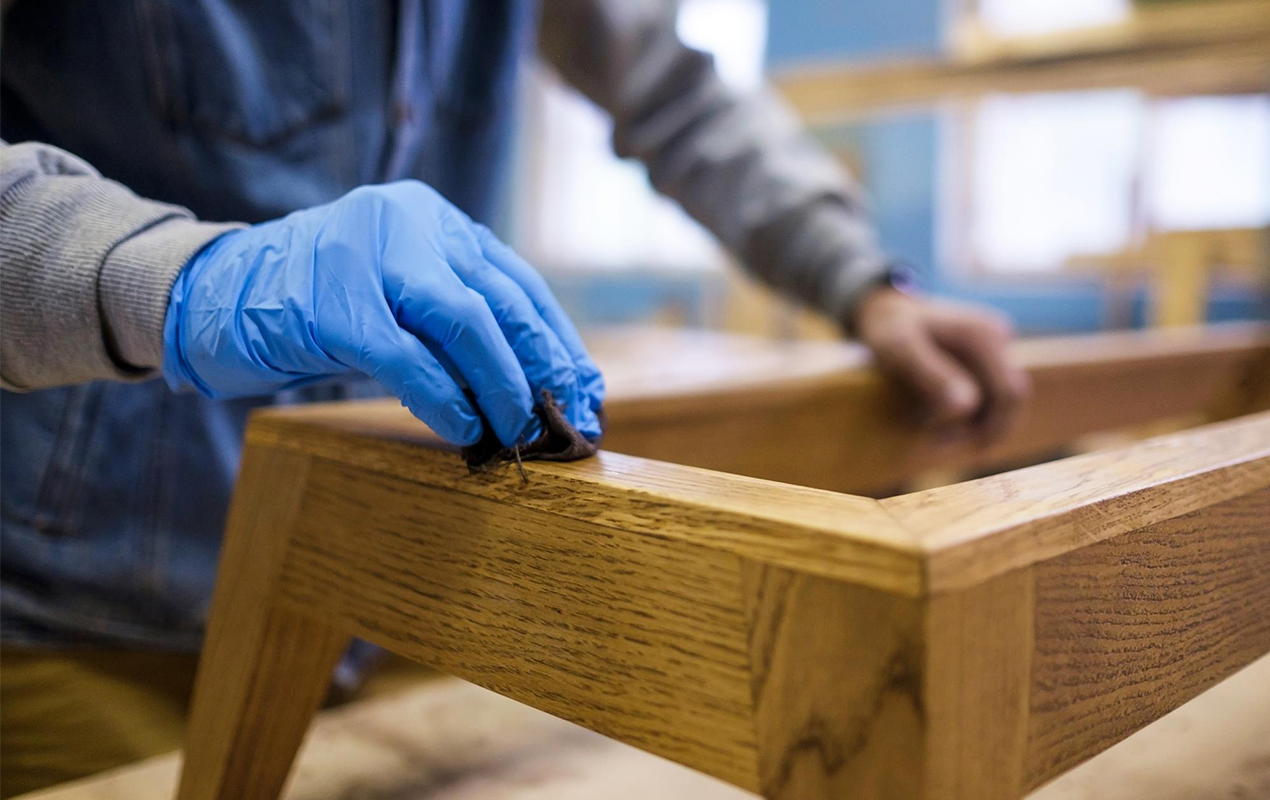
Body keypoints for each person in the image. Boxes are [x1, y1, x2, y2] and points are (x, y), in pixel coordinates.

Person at [0, 0, 1030, 793]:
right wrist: (179, 279)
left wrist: (862, 280)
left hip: (408, 572)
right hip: (89, 603)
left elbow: (672, 87)